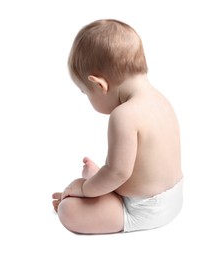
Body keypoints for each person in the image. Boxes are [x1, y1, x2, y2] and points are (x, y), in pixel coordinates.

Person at [52, 19, 183, 234]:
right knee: (106, 176)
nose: (87, 97)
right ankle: (98, 181)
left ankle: (95, 187)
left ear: (99, 85)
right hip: (174, 199)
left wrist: (84, 189)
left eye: (86, 92)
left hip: (142, 209)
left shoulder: (123, 116)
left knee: (68, 210)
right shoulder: (161, 100)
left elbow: (118, 173)